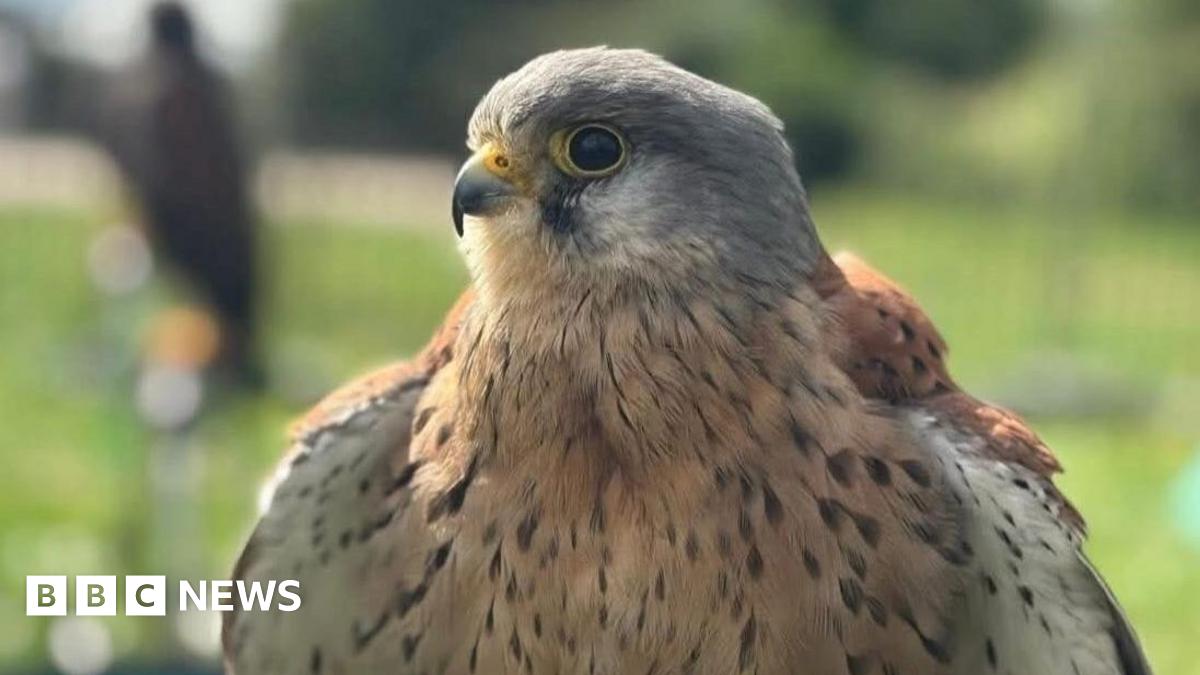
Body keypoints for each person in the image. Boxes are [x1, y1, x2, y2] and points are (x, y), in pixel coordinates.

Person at [104, 1, 261, 385]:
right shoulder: (194, 87)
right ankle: (201, 366)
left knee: (205, 312)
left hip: (186, 231)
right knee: (207, 312)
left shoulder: (159, 91)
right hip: (212, 234)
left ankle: (209, 366)